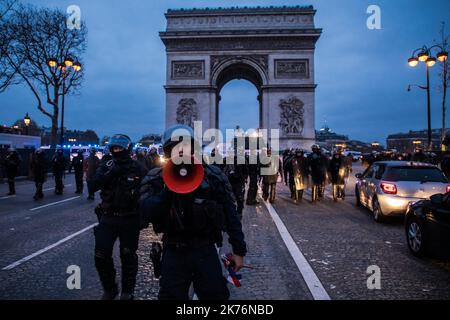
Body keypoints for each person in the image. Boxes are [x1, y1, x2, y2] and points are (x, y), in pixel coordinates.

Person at [139, 124, 247, 300]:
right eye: (175, 148)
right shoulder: (157, 178)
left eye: (186, 146)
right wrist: (167, 189)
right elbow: (145, 213)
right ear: (168, 152)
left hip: (206, 249)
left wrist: (239, 251)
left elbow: (230, 215)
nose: (181, 152)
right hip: (173, 250)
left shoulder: (213, 176)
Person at [90, 134, 146, 300]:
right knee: (100, 254)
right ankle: (110, 289)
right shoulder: (107, 165)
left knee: (128, 255)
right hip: (108, 217)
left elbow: (148, 190)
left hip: (130, 218)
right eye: (114, 148)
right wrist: (110, 173)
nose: (117, 150)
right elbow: (93, 186)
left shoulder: (138, 167)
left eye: (120, 148)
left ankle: (127, 291)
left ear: (127, 149)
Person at [224, 151, 248, 220]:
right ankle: (231, 213)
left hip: (239, 182)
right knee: (229, 198)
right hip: (229, 182)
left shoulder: (241, 160)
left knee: (239, 198)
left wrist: (243, 178)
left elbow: (245, 170)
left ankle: (239, 213)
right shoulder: (225, 160)